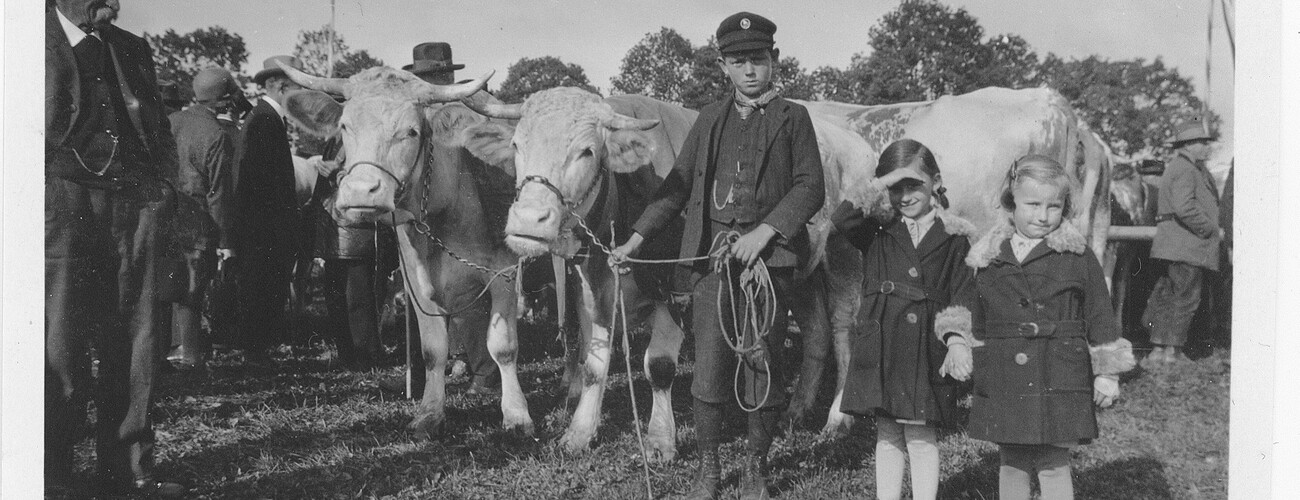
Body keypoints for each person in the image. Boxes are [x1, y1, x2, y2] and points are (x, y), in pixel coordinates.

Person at [611, 12, 824, 499]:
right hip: (712, 266)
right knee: (707, 371)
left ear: (774, 60)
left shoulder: (794, 118)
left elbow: (810, 187)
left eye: (758, 59)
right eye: (738, 61)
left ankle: (756, 469)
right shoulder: (709, 118)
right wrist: (634, 241)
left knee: (762, 365)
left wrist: (765, 232)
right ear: (723, 65)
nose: (750, 70)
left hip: (771, 266)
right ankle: (708, 471)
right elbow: (676, 188)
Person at [45, 0, 185, 496]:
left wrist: (164, 186)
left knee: (135, 337)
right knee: (59, 343)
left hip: (135, 204)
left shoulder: (132, 48)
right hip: (60, 203)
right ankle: (51, 477)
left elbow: (158, 127)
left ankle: (128, 473)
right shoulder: (21, 38)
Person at [940, 155, 1135, 500]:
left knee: (1053, 460)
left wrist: (1108, 372)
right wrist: (957, 341)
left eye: (1053, 206)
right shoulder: (988, 256)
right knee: (1012, 461)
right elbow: (969, 308)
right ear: (1011, 202)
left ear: (1065, 207)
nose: (1043, 216)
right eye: (1032, 204)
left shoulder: (1078, 256)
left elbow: (1101, 314)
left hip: (1058, 370)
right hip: (1005, 374)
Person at [830, 139, 974, 500]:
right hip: (884, 344)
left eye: (914, 185)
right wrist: (881, 182)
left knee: (921, 435)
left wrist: (957, 341)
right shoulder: (878, 231)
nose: (905, 196)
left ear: (936, 182)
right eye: (897, 188)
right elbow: (841, 217)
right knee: (888, 434)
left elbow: (963, 295)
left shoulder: (955, 239)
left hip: (926, 348)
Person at [163, 67, 242, 369]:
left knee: (164, 288)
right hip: (198, 224)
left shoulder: (171, 121)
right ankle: (191, 357)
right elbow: (219, 193)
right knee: (192, 292)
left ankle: (163, 355)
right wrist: (226, 241)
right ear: (224, 101)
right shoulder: (216, 135)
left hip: (165, 217)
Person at [232, 55, 306, 367]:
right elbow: (257, 179)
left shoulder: (265, 117)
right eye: (298, 88)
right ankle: (256, 353)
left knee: (263, 287)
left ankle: (258, 351)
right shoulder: (264, 120)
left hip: (264, 225)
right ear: (281, 87)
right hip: (264, 227)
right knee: (261, 287)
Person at [1141, 120, 1222, 367]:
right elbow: (1184, 206)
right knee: (1185, 299)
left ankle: (1158, 351)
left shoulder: (1181, 167)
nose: (1207, 147)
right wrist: (1209, 228)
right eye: (1202, 143)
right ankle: (1172, 353)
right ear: (1188, 145)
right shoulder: (1186, 169)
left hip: (1174, 245)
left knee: (1168, 297)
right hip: (1187, 245)